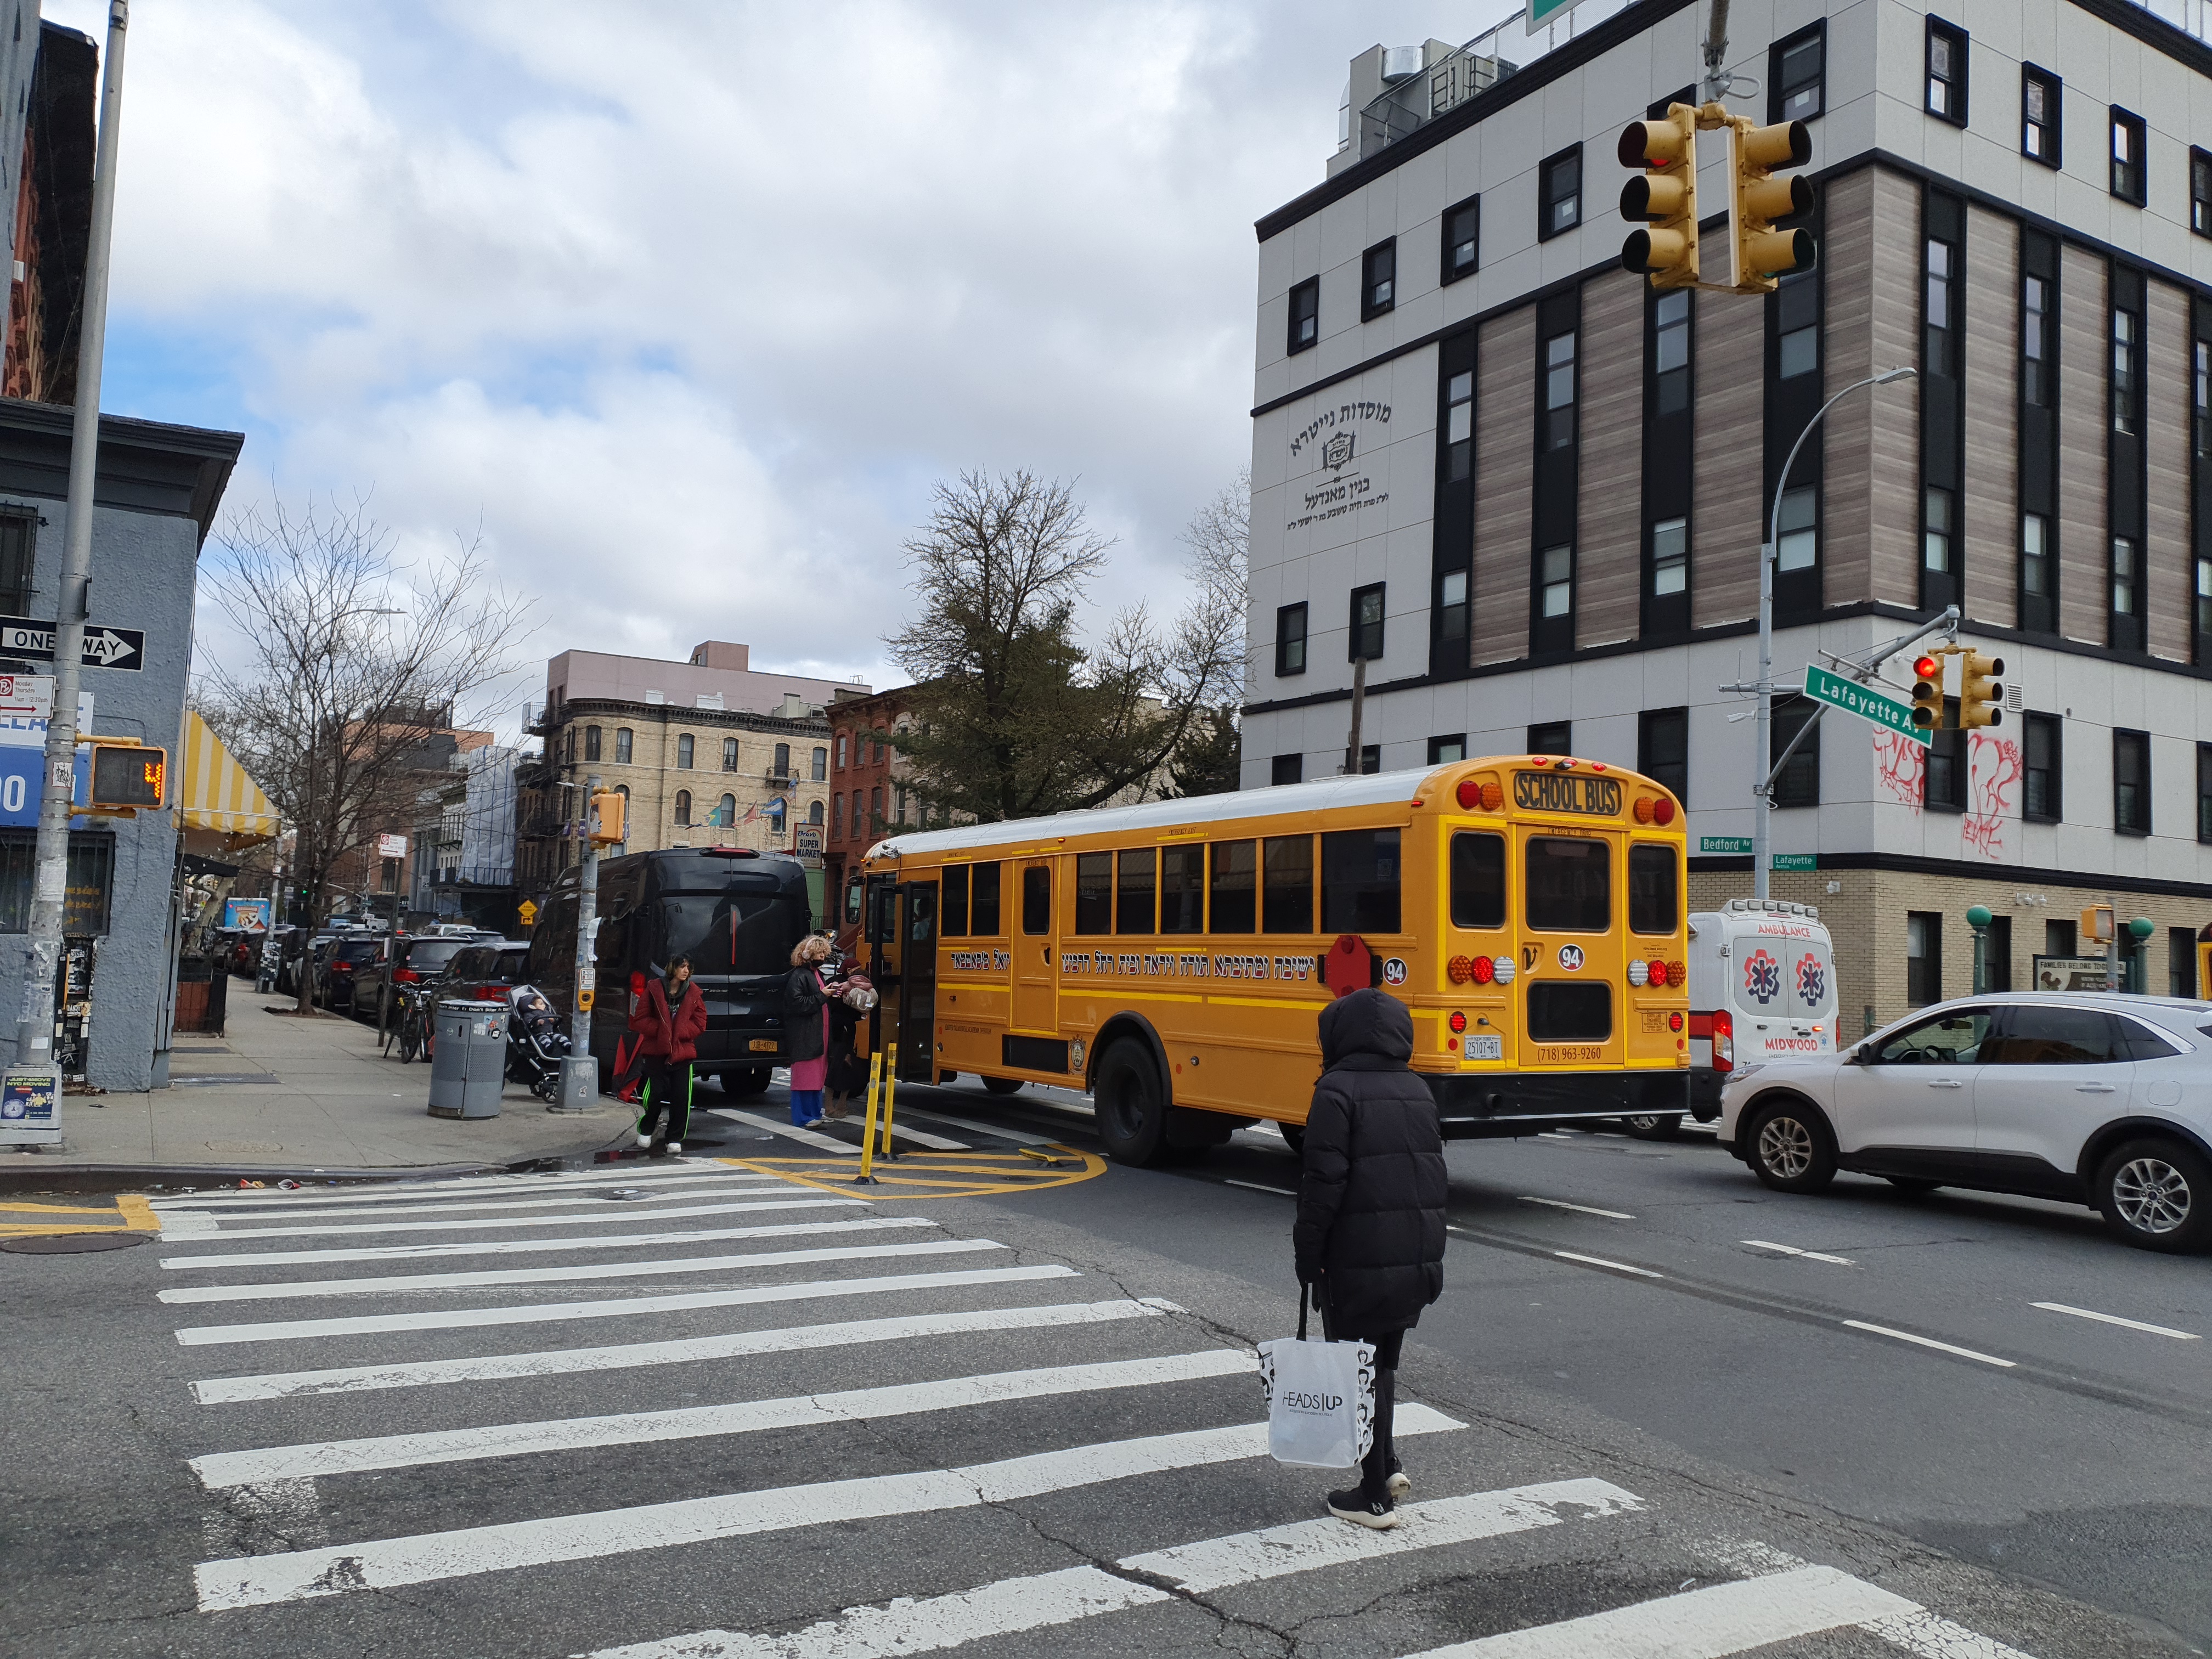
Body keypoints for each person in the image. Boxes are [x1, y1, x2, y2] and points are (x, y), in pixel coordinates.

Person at [1291, 987, 1447, 1530]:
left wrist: (1308, 1255)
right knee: (1383, 1365)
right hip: (1414, 1256)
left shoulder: (1335, 1091)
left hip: (1355, 1259)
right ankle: (1388, 1461)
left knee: (1359, 1370)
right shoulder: (1418, 1090)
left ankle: (1374, 1494)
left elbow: (1322, 1184)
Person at [627, 953, 708, 1156]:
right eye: (682, 967)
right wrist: (663, 1031)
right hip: (656, 1053)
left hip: (682, 1054)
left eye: (689, 967)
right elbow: (640, 1019)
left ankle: (674, 1138)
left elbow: (700, 1022)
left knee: (681, 1098)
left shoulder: (693, 993)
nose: (686, 971)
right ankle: (647, 1129)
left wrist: (679, 1031)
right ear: (673, 968)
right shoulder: (654, 989)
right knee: (654, 1095)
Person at [785, 934, 834, 1126]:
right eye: (819, 953)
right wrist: (822, 995)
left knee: (816, 1077)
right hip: (805, 1036)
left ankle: (814, 1114)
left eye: (824, 953)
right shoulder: (798, 976)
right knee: (804, 1078)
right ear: (806, 954)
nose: (822, 956)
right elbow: (798, 1005)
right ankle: (802, 1117)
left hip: (817, 1034)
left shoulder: (814, 974)